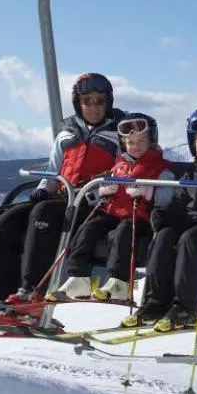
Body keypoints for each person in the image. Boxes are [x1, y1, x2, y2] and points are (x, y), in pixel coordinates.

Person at [0, 72, 124, 315]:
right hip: (62, 198)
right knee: (6, 220)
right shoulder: (67, 133)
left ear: (108, 102)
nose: (93, 107)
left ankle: (33, 294)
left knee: (44, 213)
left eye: (99, 101)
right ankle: (0, 300)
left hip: (94, 206)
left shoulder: (119, 134)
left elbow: (125, 171)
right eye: (87, 101)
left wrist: (94, 193)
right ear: (78, 103)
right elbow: (53, 171)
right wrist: (42, 190)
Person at [124, 106, 197, 331]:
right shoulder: (187, 173)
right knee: (165, 236)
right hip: (192, 224)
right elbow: (180, 203)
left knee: (189, 239)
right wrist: (164, 216)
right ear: (193, 144)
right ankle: (155, 302)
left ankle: (187, 308)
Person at [54, 112, 175, 303]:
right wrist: (102, 191)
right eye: (130, 142)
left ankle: (119, 282)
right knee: (89, 227)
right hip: (113, 213)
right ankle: (78, 277)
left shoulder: (160, 167)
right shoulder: (119, 165)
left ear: (151, 140)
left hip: (141, 219)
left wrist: (148, 192)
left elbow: (169, 197)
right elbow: (100, 192)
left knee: (124, 231)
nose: (135, 147)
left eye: (141, 142)